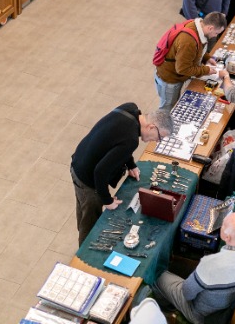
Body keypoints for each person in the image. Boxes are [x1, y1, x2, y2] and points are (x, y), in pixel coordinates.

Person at [69, 104, 173, 245]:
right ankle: (81, 257)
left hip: (79, 160)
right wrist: (107, 201)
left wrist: (131, 164)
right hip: (87, 178)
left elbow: (117, 142)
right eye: (160, 137)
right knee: (90, 222)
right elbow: (100, 172)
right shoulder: (131, 140)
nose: (157, 141)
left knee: (83, 209)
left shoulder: (130, 109)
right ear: (152, 127)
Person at [153, 212, 235, 324]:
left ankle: (167, 309)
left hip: (203, 317)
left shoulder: (210, 265)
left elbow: (187, 293)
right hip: (227, 310)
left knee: (157, 275)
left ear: (226, 236)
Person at [154, 12, 227, 109]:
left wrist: (206, 58)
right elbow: (183, 69)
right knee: (167, 110)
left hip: (174, 74)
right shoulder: (188, 41)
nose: (215, 36)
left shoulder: (198, 25)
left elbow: (195, 50)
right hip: (170, 79)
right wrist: (206, 70)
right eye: (216, 33)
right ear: (210, 28)